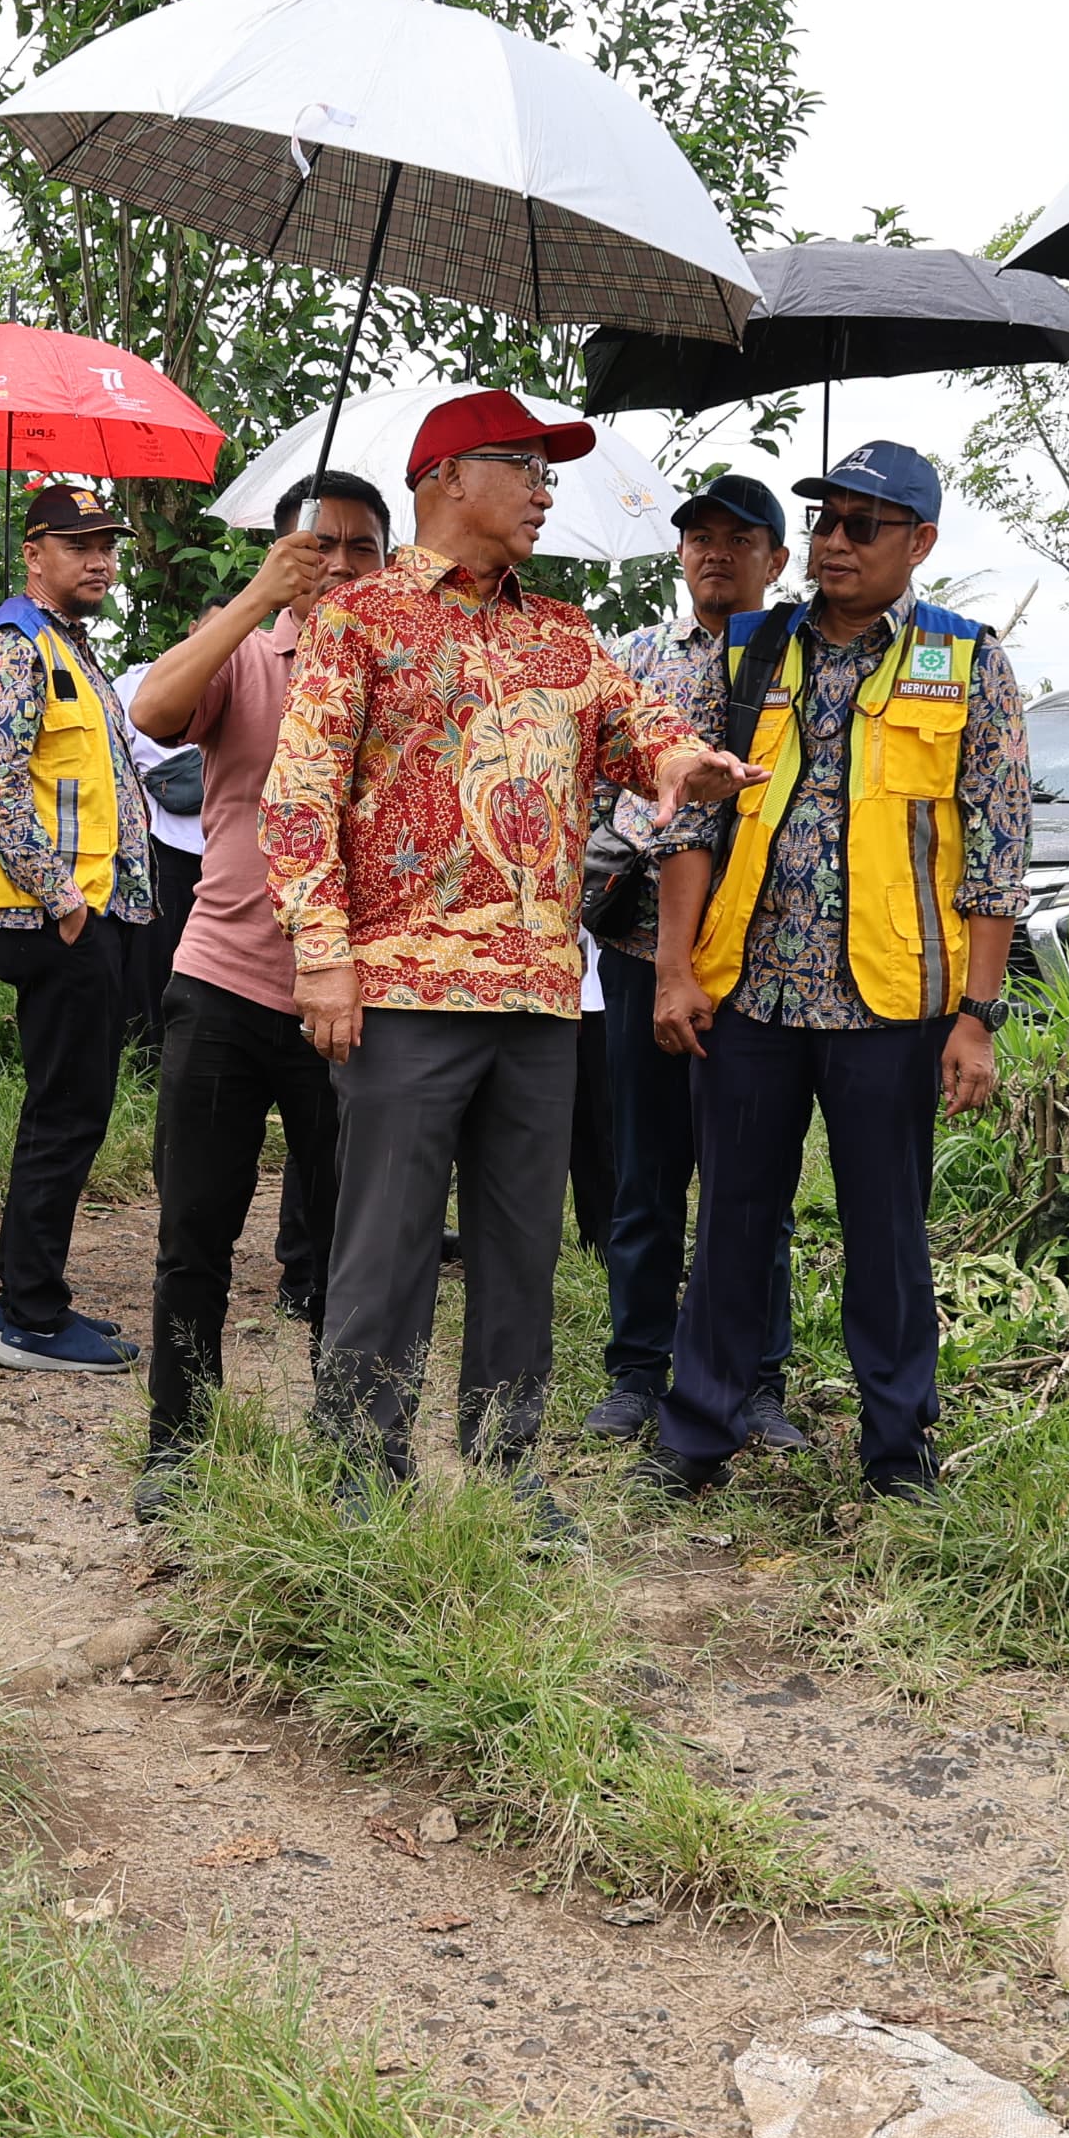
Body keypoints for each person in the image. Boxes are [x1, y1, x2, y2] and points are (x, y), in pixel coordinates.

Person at [261, 390, 760, 1537]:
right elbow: (298, 800)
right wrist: (323, 960)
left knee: (519, 1249)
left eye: (549, 472)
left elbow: (639, 729)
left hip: (540, 991)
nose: (546, 491)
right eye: (523, 469)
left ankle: (506, 1470)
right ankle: (359, 1474)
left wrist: (688, 762)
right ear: (444, 477)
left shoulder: (565, 632)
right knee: (383, 1245)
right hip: (399, 989)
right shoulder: (359, 619)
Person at [645, 440, 1026, 1503]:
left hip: (891, 1002)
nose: (835, 543)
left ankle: (896, 1447)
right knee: (728, 1220)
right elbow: (688, 824)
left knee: (886, 1236)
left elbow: (997, 851)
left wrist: (977, 1016)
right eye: (824, 521)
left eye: (864, 525)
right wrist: (673, 970)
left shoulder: (966, 660)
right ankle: (696, 1433)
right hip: (749, 992)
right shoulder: (747, 649)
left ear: (920, 542)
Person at [125, 469, 391, 1514]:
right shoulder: (242, 648)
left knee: (346, 1245)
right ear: (281, 554)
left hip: (357, 997)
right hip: (224, 981)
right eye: (314, 545)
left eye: (359, 547)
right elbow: (149, 711)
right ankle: (175, 1446)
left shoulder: (404, 665)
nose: (336, 565)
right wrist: (252, 600)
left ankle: (346, 1452)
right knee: (194, 1228)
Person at [585, 473, 802, 1450]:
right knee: (646, 1168)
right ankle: (635, 1368)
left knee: (751, 1177)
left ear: (776, 558)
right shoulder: (628, 658)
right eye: (696, 537)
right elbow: (585, 783)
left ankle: (756, 1379)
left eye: (737, 537)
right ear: (676, 554)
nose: (712, 551)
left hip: (764, 961)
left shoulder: (801, 664)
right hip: (640, 946)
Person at [0, 480, 158, 1372]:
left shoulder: (69, 647)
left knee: (71, 1109)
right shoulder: (13, 647)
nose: (99, 559)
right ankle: (29, 1315)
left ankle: (34, 1298)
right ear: (33, 553)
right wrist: (67, 900)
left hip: (90, 914)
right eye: (78, 545)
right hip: (58, 919)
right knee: (63, 1113)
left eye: (105, 545)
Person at [117, 657, 206, 1065]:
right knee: (152, 956)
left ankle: (192, 1051)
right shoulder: (138, 683)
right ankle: (147, 1053)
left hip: (222, 849)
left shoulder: (251, 673)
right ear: (192, 631)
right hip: (159, 842)